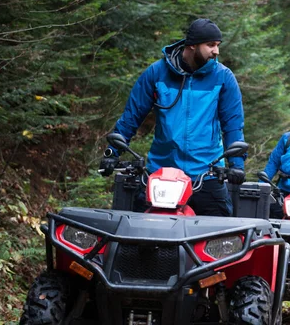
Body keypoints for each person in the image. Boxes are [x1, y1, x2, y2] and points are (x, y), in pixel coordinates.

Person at [100, 18, 246, 216]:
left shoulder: (223, 77)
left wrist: (236, 165)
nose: (216, 51)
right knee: (137, 235)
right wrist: (112, 153)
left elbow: (233, 125)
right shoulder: (156, 73)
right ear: (192, 45)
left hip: (206, 173)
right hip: (161, 173)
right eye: (211, 45)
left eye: (217, 46)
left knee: (222, 238)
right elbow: (131, 117)